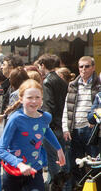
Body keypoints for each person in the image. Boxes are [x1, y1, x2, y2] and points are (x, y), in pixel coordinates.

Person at [62, 56, 101, 188]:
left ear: (93, 67)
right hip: (75, 129)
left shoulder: (98, 85)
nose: (83, 69)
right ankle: (79, 190)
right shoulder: (72, 85)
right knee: (75, 163)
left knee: (94, 163)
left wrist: (95, 121)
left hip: (92, 129)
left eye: (87, 66)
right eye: (81, 66)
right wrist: (65, 128)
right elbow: (66, 108)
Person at [37, 54, 69, 182]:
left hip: (52, 126)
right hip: (62, 124)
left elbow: (48, 105)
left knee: (53, 162)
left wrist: (45, 123)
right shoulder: (62, 81)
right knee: (61, 160)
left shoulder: (47, 81)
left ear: (43, 65)